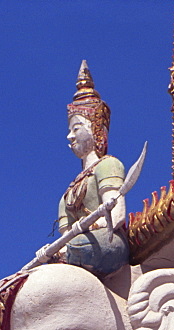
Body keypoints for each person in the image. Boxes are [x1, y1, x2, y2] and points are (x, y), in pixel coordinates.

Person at [37, 61, 130, 279]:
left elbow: (117, 216)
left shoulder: (108, 165)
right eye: (69, 130)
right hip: (77, 244)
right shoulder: (67, 195)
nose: (70, 136)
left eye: (76, 128)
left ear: (95, 128)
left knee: (76, 247)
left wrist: (89, 226)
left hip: (106, 243)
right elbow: (65, 237)